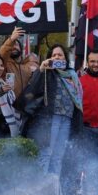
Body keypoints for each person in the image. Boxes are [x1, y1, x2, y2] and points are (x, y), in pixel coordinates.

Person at [20, 44, 83, 177]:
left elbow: (78, 100)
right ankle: (41, 187)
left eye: (60, 55)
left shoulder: (72, 75)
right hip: (50, 120)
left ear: (65, 58)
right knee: (46, 153)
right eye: (54, 55)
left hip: (67, 119)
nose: (57, 57)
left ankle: (53, 187)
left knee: (58, 156)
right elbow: (33, 89)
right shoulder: (47, 72)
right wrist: (41, 69)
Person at [0, 26, 33, 101]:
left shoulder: (27, 65)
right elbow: (0, 55)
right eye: (11, 45)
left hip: (25, 106)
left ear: (20, 48)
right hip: (9, 106)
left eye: (16, 44)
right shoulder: (4, 64)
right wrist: (11, 39)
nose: (13, 47)